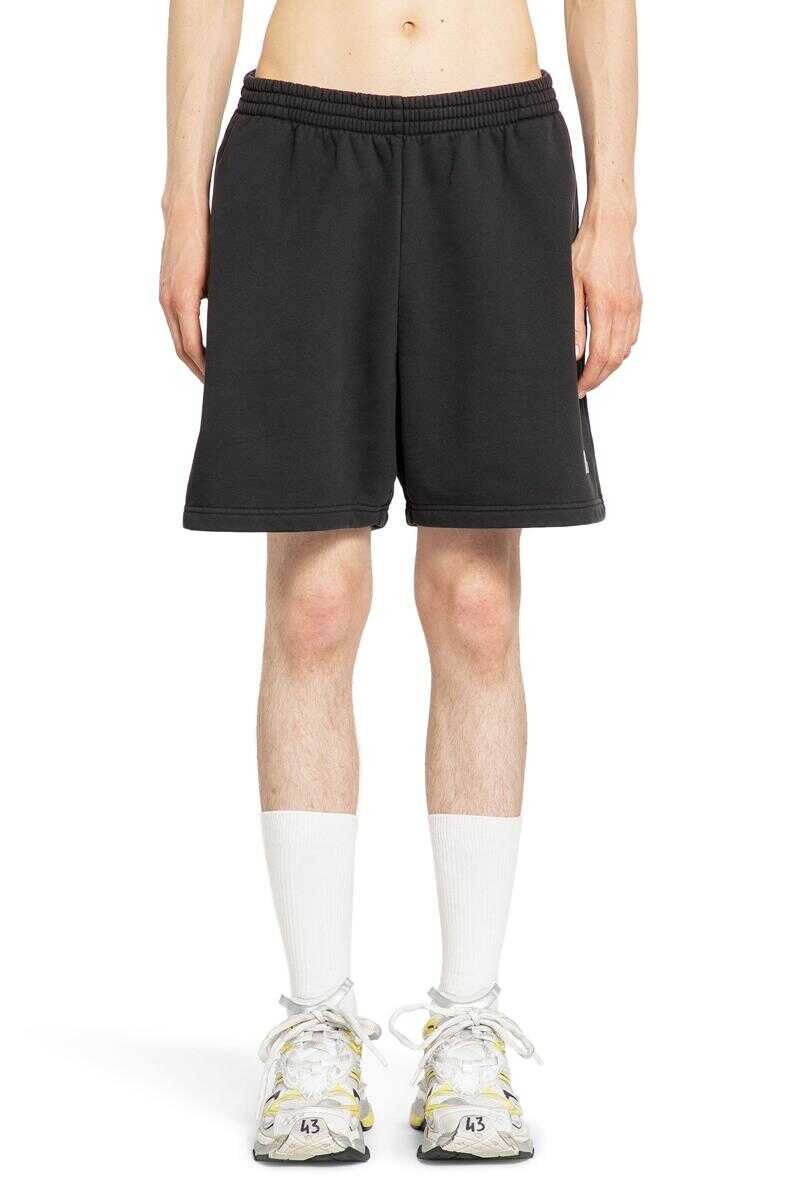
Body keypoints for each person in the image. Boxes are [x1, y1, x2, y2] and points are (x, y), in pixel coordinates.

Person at [160, 0, 641, 1165]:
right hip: (297, 143)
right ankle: (315, 1026)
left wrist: (613, 207)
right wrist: (182, 198)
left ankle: (467, 1024)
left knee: (475, 605)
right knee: (314, 602)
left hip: (495, 143)